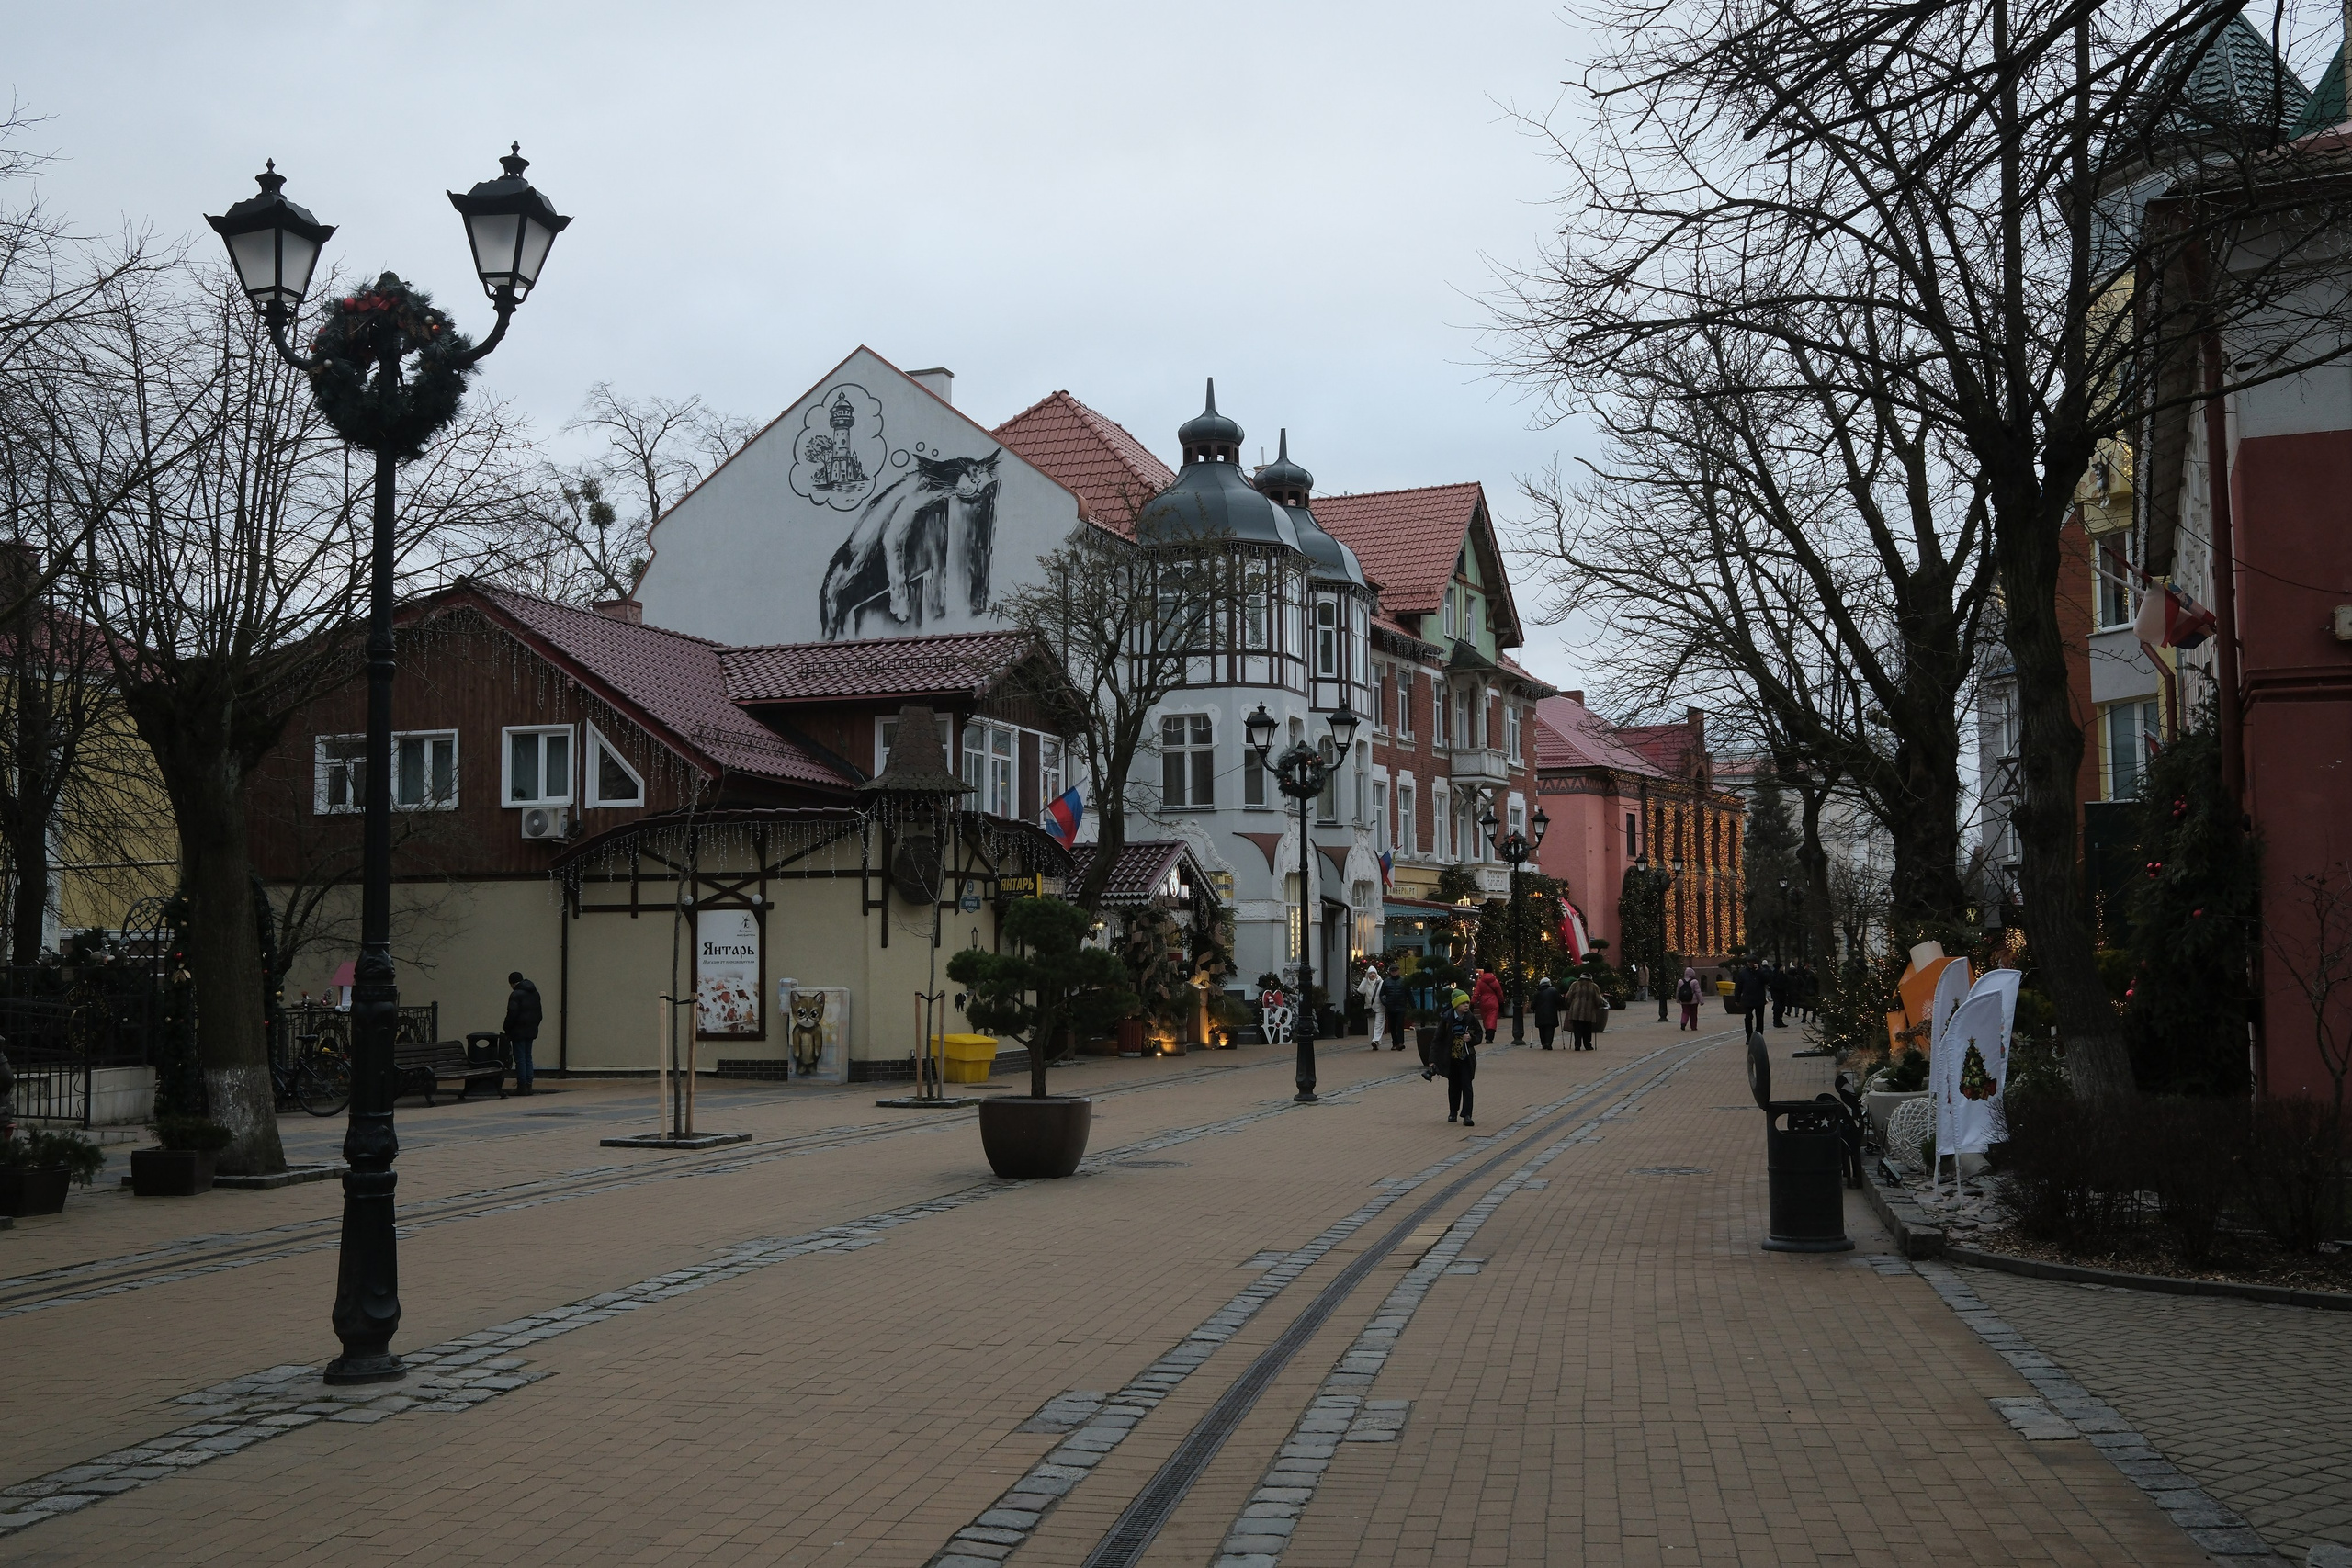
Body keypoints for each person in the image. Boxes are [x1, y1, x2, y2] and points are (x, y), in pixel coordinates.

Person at [1435, 989, 1480, 1125]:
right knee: (1453, 1086)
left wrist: (1471, 1038)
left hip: (1466, 1057)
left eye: (1467, 1002)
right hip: (1452, 1058)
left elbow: (1479, 1034)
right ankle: (1453, 1111)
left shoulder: (1471, 1018)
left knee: (1467, 1086)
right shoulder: (1447, 1018)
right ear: (1456, 1005)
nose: (1466, 1005)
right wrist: (1432, 1060)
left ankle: (1467, 1115)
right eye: (1463, 1003)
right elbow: (1437, 1039)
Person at [503, 970, 543, 1094]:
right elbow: (539, 1014)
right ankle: (529, 1085)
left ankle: (522, 1086)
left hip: (518, 1031)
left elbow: (512, 1014)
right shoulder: (535, 993)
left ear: (512, 983)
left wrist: (506, 1027)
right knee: (528, 1057)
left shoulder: (516, 995)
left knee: (520, 1059)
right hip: (531, 1030)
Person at [1564, 970, 1607, 1052]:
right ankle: (1587, 1045)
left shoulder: (1575, 985)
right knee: (1587, 1029)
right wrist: (1597, 1006)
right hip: (1589, 1011)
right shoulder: (1594, 986)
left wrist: (1570, 1006)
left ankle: (1577, 1045)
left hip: (1576, 1011)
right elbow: (1599, 1000)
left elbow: (1568, 997)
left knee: (1577, 1029)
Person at [1731, 962, 1768, 1039]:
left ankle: (1759, 1036)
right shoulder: (1743, 973)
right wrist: (1737, 999)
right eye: (1749, 962)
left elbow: (1768, 980)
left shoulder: (1761, 972)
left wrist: (1759, 971)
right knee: (1748, 1017)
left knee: (1760, 1018)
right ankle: (1749, 1036)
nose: (1750, 964)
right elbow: (1738, 987)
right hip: (1748, 999)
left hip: (1759, 999)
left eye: (1752, 962)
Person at [1380, 966, 1410, 1051]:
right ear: (1390, 972)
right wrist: (1386, 1003)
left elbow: (1409, 994)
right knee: (1392, 1026)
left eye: (1395, 971)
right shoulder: (1386, 982)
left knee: (1400, 1025)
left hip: (1401, 1006)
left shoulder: (1404, 981)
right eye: (1392, 971)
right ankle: (1395, 1043)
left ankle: (1400, 1043)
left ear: (1399, 971)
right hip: (1391, 1007)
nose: (1394, 972)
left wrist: (1412, 1006)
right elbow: (1381, 994)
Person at [1357, 962, 1385, 1049]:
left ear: (1376, 974)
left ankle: (1376, 1040)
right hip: (1370, 1007)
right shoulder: (1366, 983)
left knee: (1378, 1024)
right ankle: (1373, 1042)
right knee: (1371, 1026)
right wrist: (1365, 979)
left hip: (1380, 1007)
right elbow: (1361, 990)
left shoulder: (1381, 983)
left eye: (1374, 973)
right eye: (1370, 973)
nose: (1372, 975)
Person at [1471, 966, 1503, 1038]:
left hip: (1483, 1002)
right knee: (1492, 1018)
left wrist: (1472, 1002)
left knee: (1485, 1018)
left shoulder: (1480, 981)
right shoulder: (1495, 981)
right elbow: (1499, 993)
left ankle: (1487, 1030)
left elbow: (1476, 993)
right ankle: (1490, 1034)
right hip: (1494, 1001)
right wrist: (1501, 1002)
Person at [1532, 976, 1562, 1050]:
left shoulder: (1537, 992)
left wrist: (1533, 1008)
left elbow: (1533, 1005)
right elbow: (1559, 1001)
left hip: (1540, 1014)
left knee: (1541, 1029)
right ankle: (1549, 1043)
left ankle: (1544, 1043)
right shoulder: (1554, 991)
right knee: (1550, 1029)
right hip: (1551, 1013)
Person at [1676, 966, 1702, 1032]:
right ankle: (1693, 1027)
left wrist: (1677, 999)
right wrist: (1701, 1000)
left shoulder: (1680, 981)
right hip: (1693, 1001)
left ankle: (1683, 1023)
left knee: (1685, 1012)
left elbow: (1678, 991)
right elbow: (1698, 992)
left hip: (1684, 1000)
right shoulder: (1694, 981)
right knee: (1693, 1014)